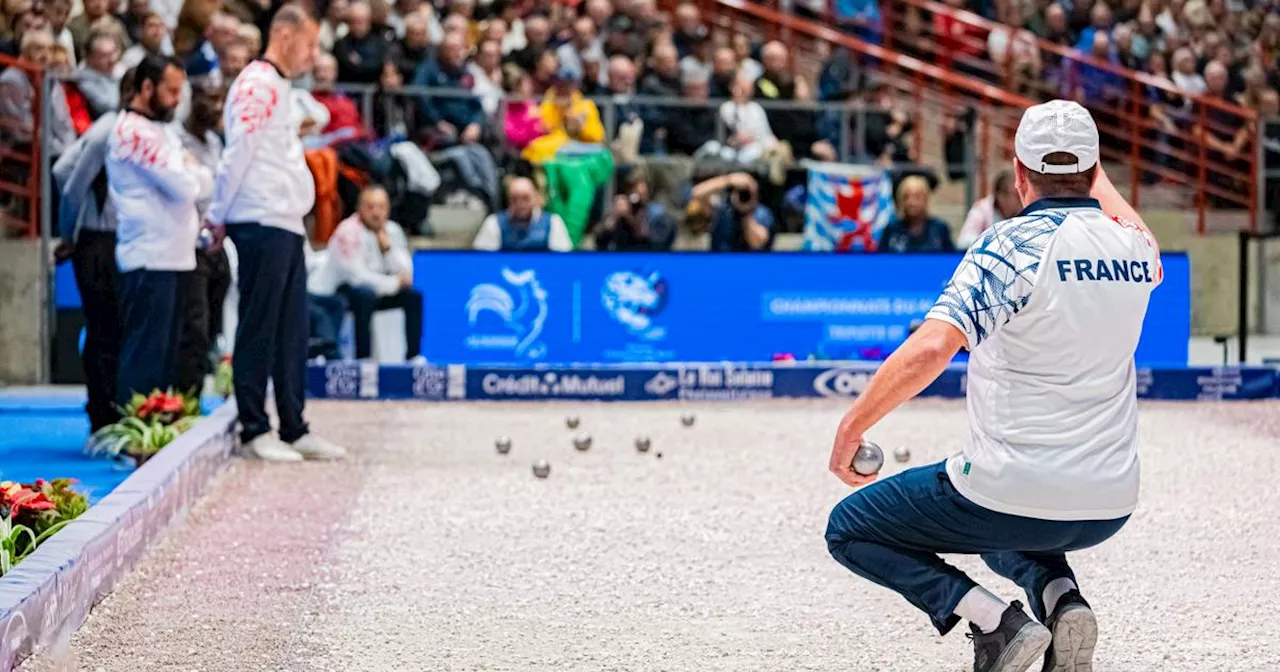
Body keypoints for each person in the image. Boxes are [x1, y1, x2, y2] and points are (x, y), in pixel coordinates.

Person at [824, 100, 1160, 672]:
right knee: (1007, 521)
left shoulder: (1008, 245)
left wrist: (852, 425)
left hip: (1010, 488)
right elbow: (1127, 219)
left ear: (1019, 174)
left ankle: (993, 622)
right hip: (1110, 503)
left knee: (850, 528)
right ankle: (1062, 600)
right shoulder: (1136, 251)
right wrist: (1093, 172)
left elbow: (932, 348)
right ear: (1095, 168)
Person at [205, 5, 347, 462]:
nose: (313, 54)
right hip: (259, 219)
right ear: (285, 36)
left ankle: (293, 424)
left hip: (285, 221)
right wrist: (216, 214)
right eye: (309, 43)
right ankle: (253, 426)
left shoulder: (282, 88)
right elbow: (237, 153)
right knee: (259, 326)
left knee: (291, 330)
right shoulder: (256, 85)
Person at [107, 55, 211, 404]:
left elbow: (204, 180)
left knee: (169, 357)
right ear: (146, 87)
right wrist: (189, 172)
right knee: (145, 357)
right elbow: (185, 187)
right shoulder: (132, 131)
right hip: (149, 258)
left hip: (176, 257)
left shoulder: (163, 130)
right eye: (170, 91)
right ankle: (132, 436)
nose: (177, 99)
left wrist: (189, 172)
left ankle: (158, 430)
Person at [53, 71, 135, 432]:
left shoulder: (123, 129)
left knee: (116, 328)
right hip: (99, 240)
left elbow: (61, 168)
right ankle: (102, 416)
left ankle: (114, 408)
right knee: (104, 329)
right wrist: (68, 233)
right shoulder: (108, 131)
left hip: (119, 238)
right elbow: (68, 180)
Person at [313, 185, 423, 362]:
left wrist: (387, 249)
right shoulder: (347, 231)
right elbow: (356, 276)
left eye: (381, 207)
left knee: (413, 296)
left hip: (379, 290)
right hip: (340, 293)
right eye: (370, 207)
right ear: (360, 209)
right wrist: (393, 284)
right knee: (364, 294)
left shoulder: (392, 231)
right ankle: (363, 357)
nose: (376, 213)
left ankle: (413, 357)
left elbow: (406, 273)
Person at [472, 177, 573, 251]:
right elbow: (483, 260)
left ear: (535, 198)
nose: (520, 204)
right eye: (515, 199)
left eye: (526, 198)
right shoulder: (494, 223)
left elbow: (562, 259)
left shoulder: (553, 222)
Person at [688, 172, 774, 252]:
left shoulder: (762, 213)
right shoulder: (723, 208)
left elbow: (757, 244)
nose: (742, 196)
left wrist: (746, 214)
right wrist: (727, 180)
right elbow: (694, 194)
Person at [595, 171, 677, 251]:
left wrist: (631, 219)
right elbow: (600, 242)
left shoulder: (658, 216)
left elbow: (653, 245)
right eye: (632, 192)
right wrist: (614, 217)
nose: (636, 202)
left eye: (642, 194)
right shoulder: (620, 215)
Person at [877, 176, 954, 253]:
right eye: (906, 197)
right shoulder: (891, 229)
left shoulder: (940, 229)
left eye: (917, 197)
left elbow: (952, 259)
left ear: (926, 199)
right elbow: (880, 260)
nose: (911, 202)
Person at [956, 170, 1021, 249]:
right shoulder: (981, 209)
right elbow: (964, 241)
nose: (1020, 199)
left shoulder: (1024, 211)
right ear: (1000, 195)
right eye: (1016, 195)